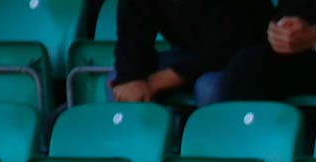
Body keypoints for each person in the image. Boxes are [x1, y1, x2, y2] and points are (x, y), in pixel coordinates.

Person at [110, 0, 273, 107]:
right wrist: (130, 78)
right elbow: (130, 37)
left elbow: (225, 48)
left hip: (247, 56)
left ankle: (212, 152)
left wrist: (155, 83)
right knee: (118, 79)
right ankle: (146, 152)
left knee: (209, 88)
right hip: (192, 54)